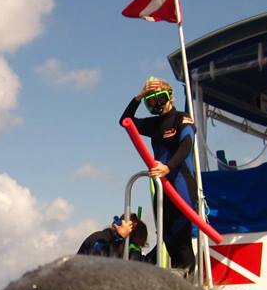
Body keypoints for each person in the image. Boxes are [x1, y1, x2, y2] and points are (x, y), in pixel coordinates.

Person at [120, 77, 198, 274]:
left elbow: (186, 144)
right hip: (162, 189)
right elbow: (124, 121)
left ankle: (189, 286)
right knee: (167, 238)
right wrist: (138, 97)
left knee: (182, 241)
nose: (157, 105)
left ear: (170, 97)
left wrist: (168, 167)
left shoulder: (182, 118)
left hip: (181, 184)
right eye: (151, 102)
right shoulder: (154, 124)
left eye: (161, 99)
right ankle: (180, 287)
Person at [77, 213, 148, 260]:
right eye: (133, 246)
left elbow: (145, 262)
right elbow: (98, 264)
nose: (133, 250)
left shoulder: (124, 253)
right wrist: (119, 237)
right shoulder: (100, 239)